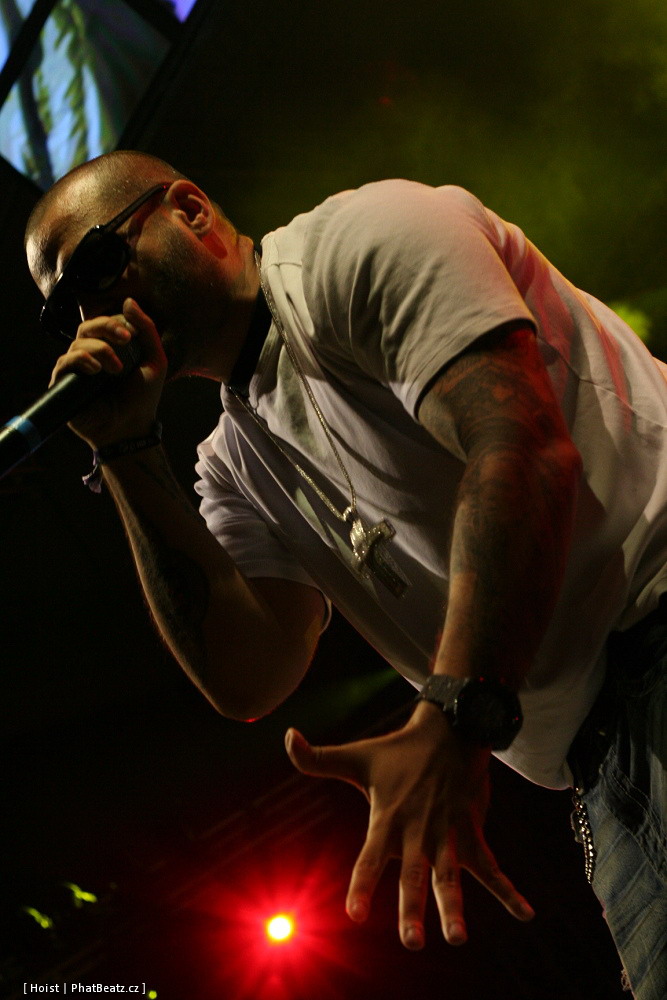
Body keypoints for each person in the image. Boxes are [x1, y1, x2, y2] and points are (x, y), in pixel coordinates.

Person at [25, 150, 666, 999]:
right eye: (64, 307)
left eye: (99, 265)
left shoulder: (365, 240)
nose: (94, 310)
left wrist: (456, 712)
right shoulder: (230, 465)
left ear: (191, 211)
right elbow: (248, 674)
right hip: (600, 765)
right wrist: (123, 449)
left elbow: (520, 448)